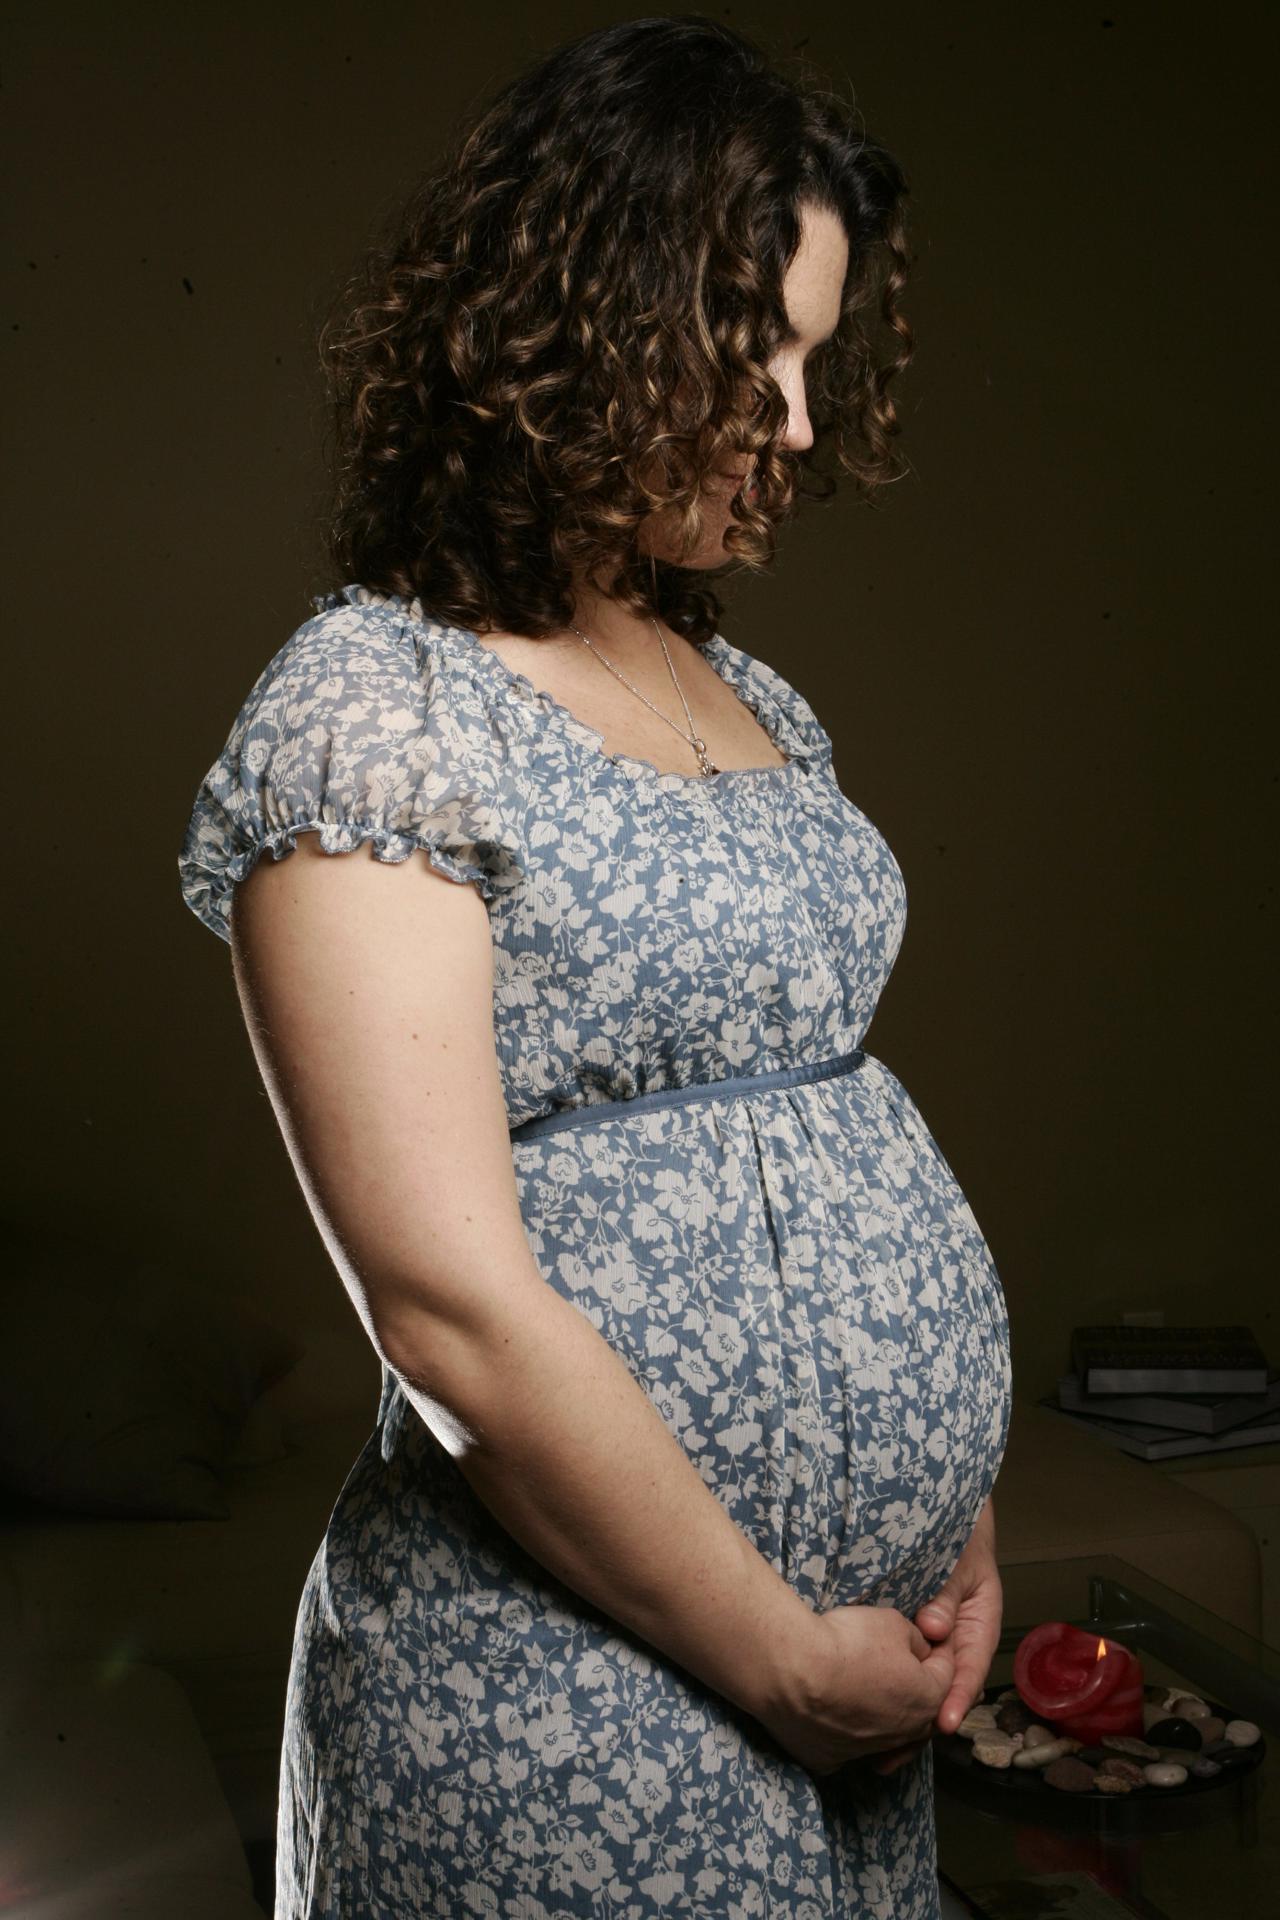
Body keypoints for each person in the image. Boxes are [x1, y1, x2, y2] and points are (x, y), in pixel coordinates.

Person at [178, 15, 1013, 1917]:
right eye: (759, 358)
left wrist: (949, 1511)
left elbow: (832, 1136)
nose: (800, 424)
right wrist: (783, 1660)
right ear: (592, 320)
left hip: (852, 1693)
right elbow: (448, 1304)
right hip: (574, 1714)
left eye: (817, 359)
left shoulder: (748, 694)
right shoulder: (371, 711)